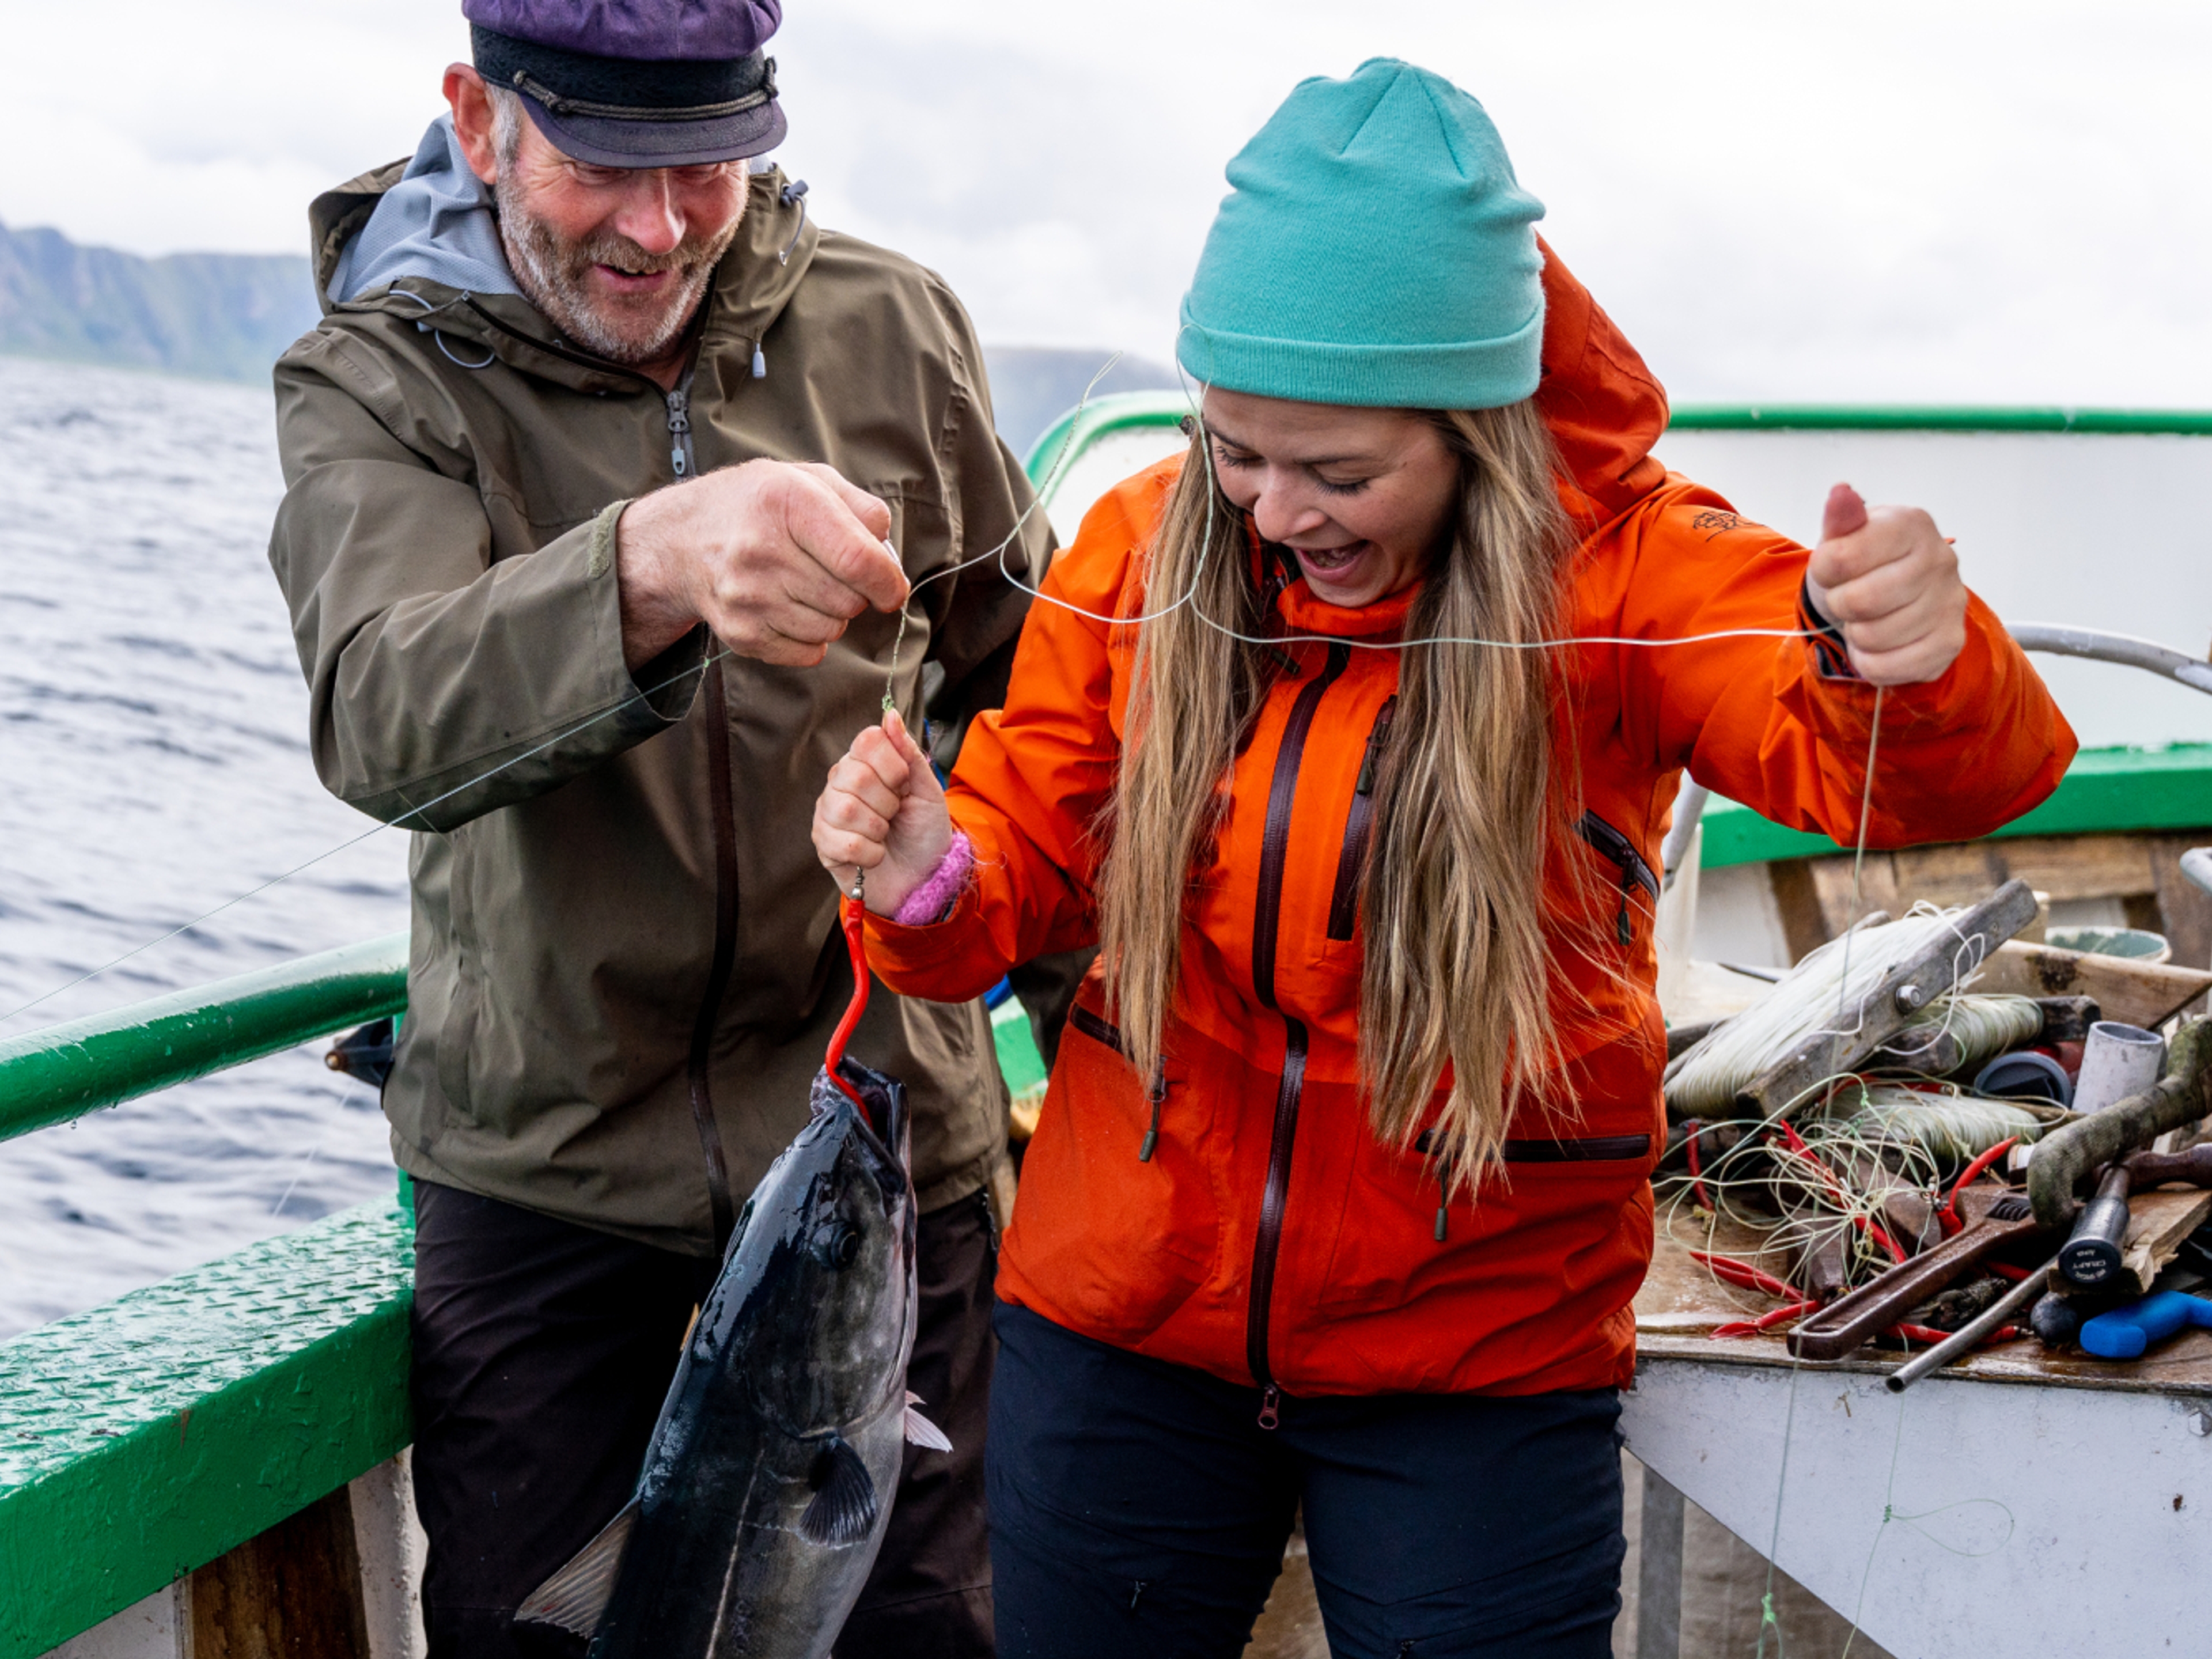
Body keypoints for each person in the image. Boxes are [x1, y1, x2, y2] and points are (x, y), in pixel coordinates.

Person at [812, 58, 2075, 1658]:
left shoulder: (1628, 570)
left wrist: (1911, 655)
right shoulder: (1139, 544)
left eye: (1340, 474)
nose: (1274, 513)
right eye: (1237, 453)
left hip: (1477, 1366)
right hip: (1121, 1336)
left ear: (1478, 426)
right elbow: (1014, 883)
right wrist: (927, 868)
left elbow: (1910, 770)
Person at [267, 2, 1046, 1652]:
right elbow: (379, 713)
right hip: (554, 1194)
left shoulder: (898, 330)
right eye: (604, 164)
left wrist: (960, 873)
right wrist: (648, 565)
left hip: (886, 1170)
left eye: (709, 165)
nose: (660, 224)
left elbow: (1035, 704)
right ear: (478, 123)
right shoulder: (378, 374)